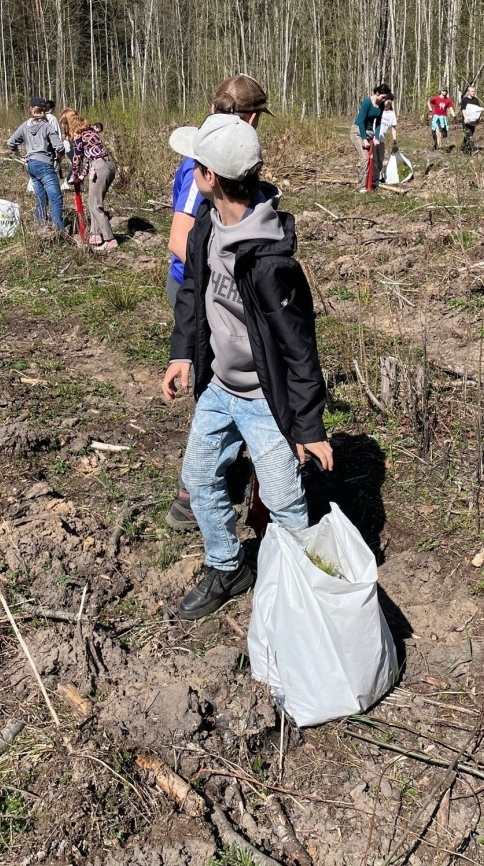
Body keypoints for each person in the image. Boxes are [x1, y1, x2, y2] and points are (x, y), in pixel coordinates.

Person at [162, 114, 333, 620]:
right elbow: (193, 293)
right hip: (219, 388)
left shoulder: (269, 260)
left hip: (264, 400)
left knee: (284, 500)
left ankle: (309, 585)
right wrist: (180, 353)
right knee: (200, 476)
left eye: (195, 163)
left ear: (209, 177)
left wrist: (308, 427)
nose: (190, 169)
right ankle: (227, 565)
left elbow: (300, 348)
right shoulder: (207, 228)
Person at [164, 74, 273, 532]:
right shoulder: (202, 164)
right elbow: (178, 239)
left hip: (216, 289)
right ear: (249, 117)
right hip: (200, 291)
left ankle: (215, 482)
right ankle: (194, 495)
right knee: (215, 390)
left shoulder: (221, 154)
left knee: (223, 391)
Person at [60, 109, 117, 250]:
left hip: (99, 167)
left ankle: (110, 240)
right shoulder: (90, 131)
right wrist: (81, 175)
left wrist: (74, 175)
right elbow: (90, 158)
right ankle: (95, 235)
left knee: (94, 205)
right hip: (107, 164)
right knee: (93, 201)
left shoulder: (79, 135)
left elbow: (77, 158)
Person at [8, 98, 65, 231]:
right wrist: (60, 157)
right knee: (56, 199)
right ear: (44, 110)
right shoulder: (47, 126)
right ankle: (59, 232)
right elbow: (59, 147)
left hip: (31, 165)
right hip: (45, 164)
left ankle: (41, 228)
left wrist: (19, 156)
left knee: (40, 199)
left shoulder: (24, 126)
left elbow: (11, 142)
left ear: (31, 110)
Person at [351, 83, 392, 191]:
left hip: (369, 132)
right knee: (365, 157)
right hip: (358, 132)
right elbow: (360, 121)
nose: (384, 100)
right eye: (383, 97)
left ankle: (372, 181)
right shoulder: (367, 102)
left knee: (373, 159)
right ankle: (362, 186)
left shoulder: (381, 105)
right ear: (377, 93)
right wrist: (364, 139)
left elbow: (378, 123)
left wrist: (377, 137)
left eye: (386, 98)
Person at [460, 85, 484, 151]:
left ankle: (463, 149)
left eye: (474, 91)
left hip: (473, 121)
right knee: (468, 134)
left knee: (469, 135)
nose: (473, 93)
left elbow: (478, 110)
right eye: (472, 91)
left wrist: (478, 119)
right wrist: (466, 118)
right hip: (466, 121)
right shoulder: (464, 100)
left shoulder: (475, 100)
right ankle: (472, 149)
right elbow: (463, 110)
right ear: (468, 92)